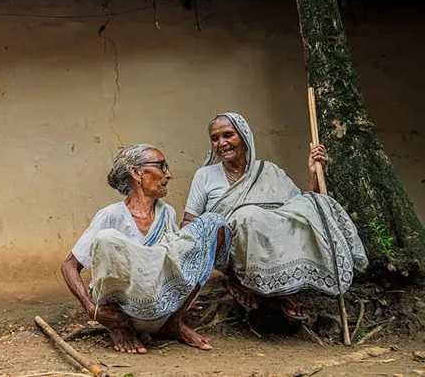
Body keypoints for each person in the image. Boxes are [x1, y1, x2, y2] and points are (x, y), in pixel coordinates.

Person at [182, 113, 368, 320]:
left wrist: (315, 173)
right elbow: (189, 220)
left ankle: (279, 291)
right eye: (215, 139)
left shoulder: (268, 170)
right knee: (247, 216)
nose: (221, 143)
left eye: (228, 135)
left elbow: (298, 209)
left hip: (269, 246)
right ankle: (238, 281)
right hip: (227, 248)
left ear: (244, 137)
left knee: (314, 204)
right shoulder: (205, 175)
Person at [62, 144, 232, 354]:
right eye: (161, 166)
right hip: (120, 314)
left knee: (213, 224)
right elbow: (69, 265)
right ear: (136, 172)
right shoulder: (111, 215)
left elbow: (172, 260)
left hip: (159, 307)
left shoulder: (166, 213)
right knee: (107, 239)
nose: (168, 175)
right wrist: (91, 309)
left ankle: (175, 323)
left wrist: (183, 292)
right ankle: (120, 329)